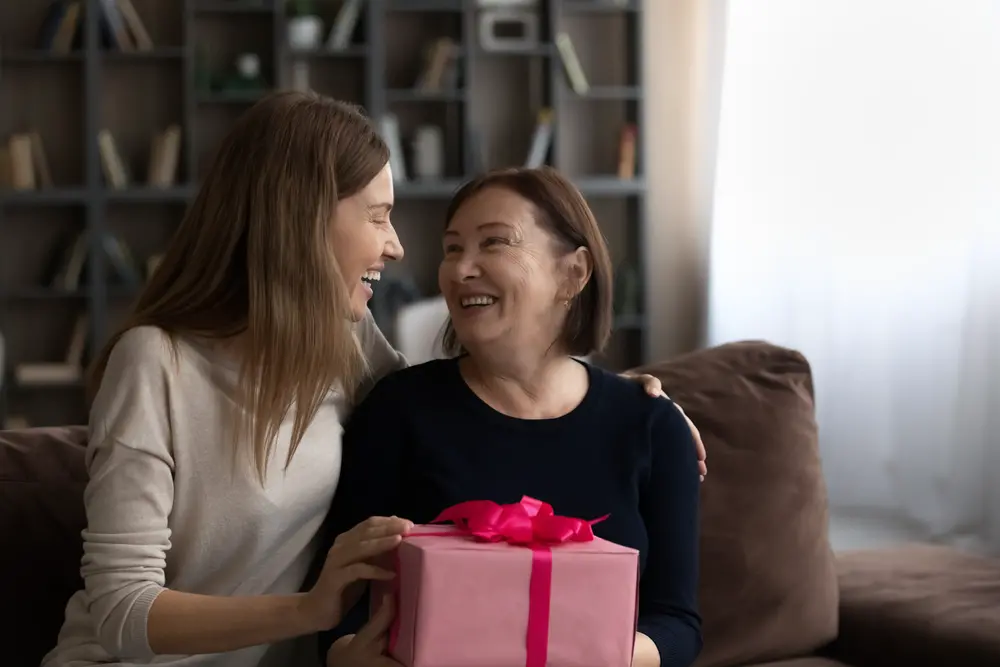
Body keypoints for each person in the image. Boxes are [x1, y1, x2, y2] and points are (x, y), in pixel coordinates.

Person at [40, 91, 704, 667]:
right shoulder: (154, 361)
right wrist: (309, 610)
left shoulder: (348, 343)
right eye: (379, 215)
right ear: (303, 217)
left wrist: (630, 399)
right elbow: (122, 610)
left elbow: (481, 400)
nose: (398, 247)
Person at [319, 167, 702, 667]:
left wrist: (590, 654)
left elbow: (677, 623)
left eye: (494, 243)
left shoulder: (653, 427)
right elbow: (338, 617)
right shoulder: (397, 412)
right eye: (453, 248)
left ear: (574, 273)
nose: (460, 269)